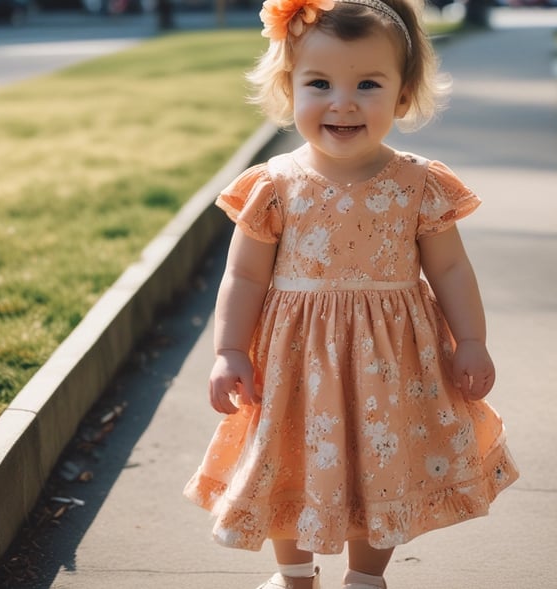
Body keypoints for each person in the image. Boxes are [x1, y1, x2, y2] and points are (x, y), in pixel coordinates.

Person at [183, 0, 519, 586]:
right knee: (283, 458)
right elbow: (244, 277)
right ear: (290, 89)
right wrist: (230, 351)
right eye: (320, 83)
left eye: (368, 83)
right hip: (293, 362)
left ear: (404, 95)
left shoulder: (420, 183)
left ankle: (366, 576)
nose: (342, 101)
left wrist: (471, 341)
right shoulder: (274, 185)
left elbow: (452, 271)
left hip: (391, 363)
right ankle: (294, 574)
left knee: (381, 462)